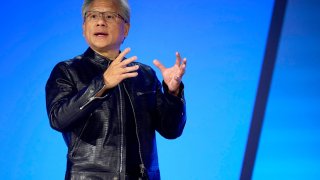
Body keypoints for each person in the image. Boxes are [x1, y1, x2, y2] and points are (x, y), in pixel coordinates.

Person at [45, 0, 187, 179]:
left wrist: (173, 93)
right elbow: (58, 119)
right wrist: (103, 83)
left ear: (126, 29)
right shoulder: (67, 71)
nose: (100, 22)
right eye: (93, 15)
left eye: (110, 16)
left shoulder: (144, 74)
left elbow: (171, 131)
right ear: (84, 27)